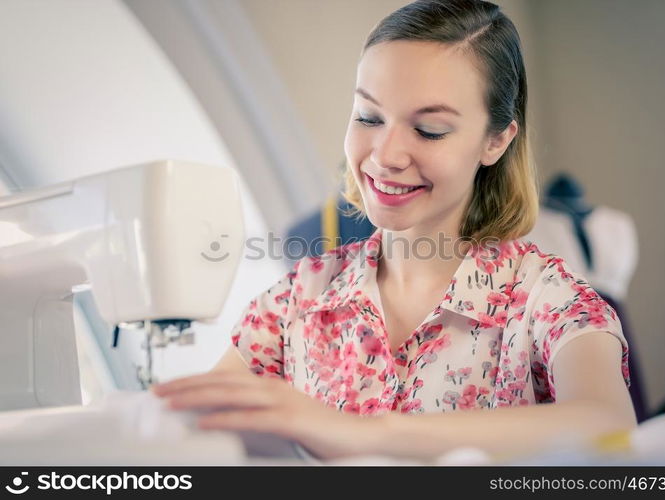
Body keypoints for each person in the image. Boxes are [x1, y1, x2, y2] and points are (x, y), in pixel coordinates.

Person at [151, 0, 637, 461]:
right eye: (368, 117)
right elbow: (190, 434)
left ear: (495, 141)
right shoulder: (298, 301)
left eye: (429, 130)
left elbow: (607, 422)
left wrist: (367, 433)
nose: (386, 155)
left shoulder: (547, 301)